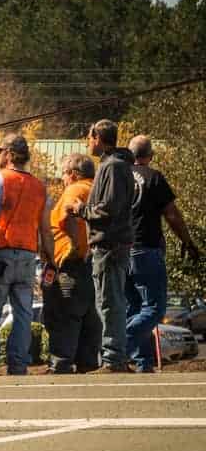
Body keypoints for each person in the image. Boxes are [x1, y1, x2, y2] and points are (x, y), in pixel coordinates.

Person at [0, 133, 55, 376]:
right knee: (24, 313)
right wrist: (50, 257)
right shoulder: (40, 187)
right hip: (28, 257)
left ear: (8, 154)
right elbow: (46, 229)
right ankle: (18, 364)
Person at [125, 135, 201, 373]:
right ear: (151, 156)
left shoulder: (117, 176)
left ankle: (142, 363)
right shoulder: (153, 177)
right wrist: (187, 242)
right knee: (154, 309)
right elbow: (172, 215)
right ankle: (118, 345)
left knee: (134, 308)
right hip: (146, 249)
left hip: (120, 251)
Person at [66, 120, 136, 373]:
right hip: (110, 244)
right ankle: (114, 356)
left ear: (98, 138)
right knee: (109, 301)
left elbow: (109, 208)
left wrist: (80, 209)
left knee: (109, 302)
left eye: (89, 137)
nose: (87, 141)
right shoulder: (112, 165)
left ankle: (113, 358)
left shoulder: (114, 167)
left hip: (110, 245)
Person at [43, 154, 101, 373]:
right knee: (88, 315)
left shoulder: (75, 189)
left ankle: (61, 362)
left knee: (63, 311)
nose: (63, 181)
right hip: (89, 261)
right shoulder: (96, 188)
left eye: (63, 176)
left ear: (73, 175)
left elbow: (66, 216)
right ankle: (86, 362)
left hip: (70, 262)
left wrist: (75, 244)